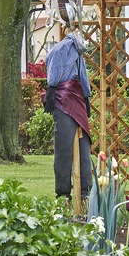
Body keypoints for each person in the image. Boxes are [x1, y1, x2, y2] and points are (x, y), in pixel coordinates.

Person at [44, 33, 93, 201]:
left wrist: (51, 86)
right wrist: (86, 96)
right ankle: (76, 192)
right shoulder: (67, 47)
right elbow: (82, 75)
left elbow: (80, 73)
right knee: (73, 145)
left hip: (70, 97)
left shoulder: (67, 48)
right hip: (71, 97)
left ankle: (72, 193)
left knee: (71, 146)